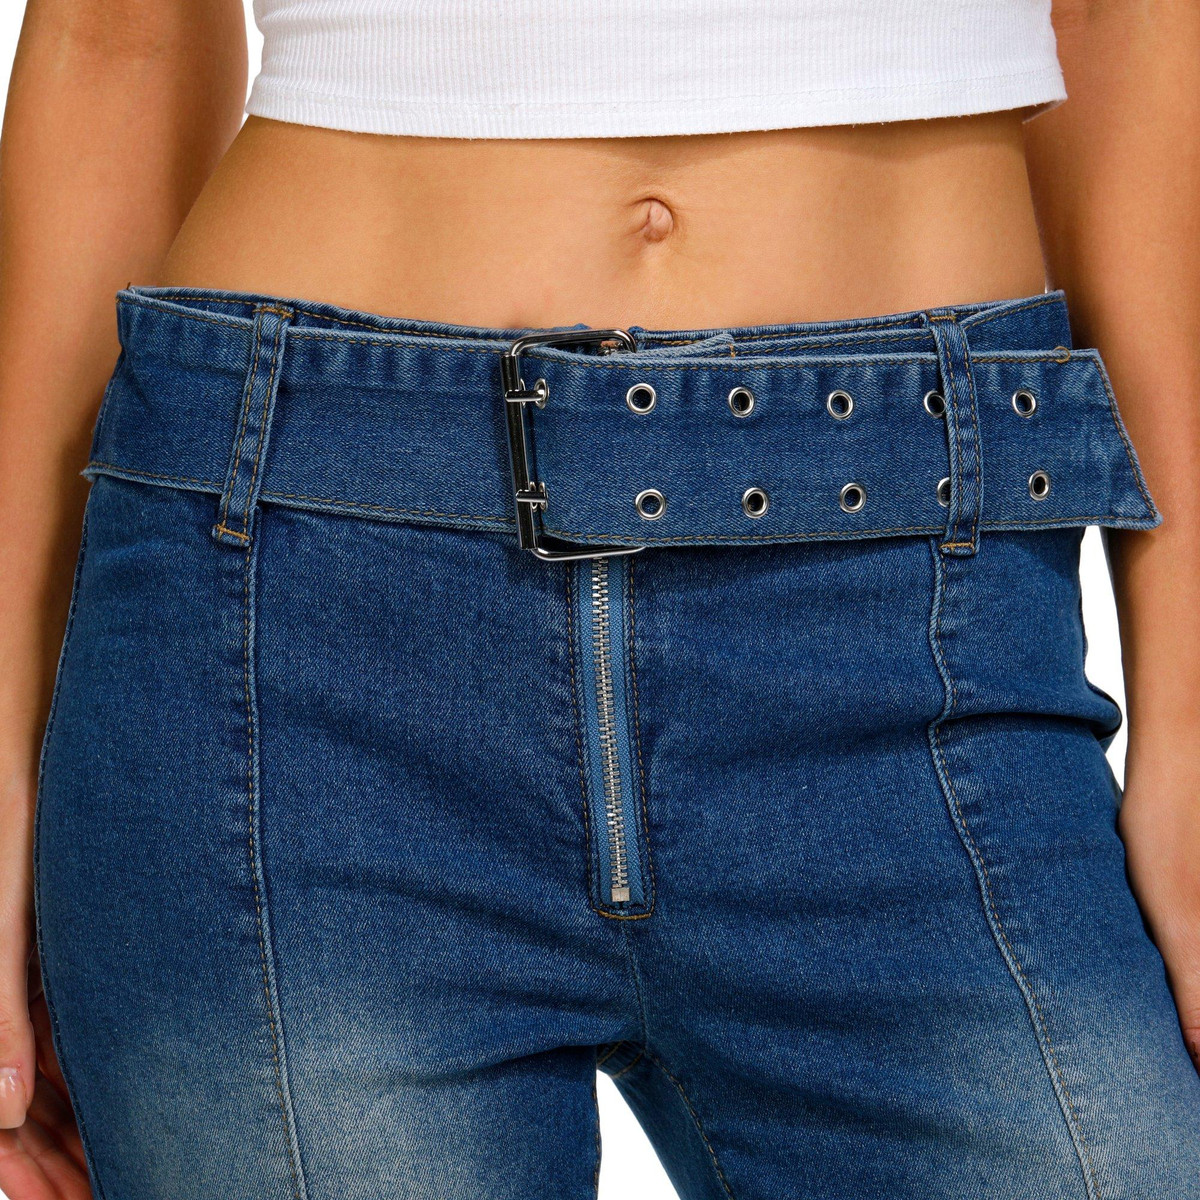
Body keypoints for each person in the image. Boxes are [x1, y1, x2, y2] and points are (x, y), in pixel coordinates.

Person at [1, 1, 1198, 1196]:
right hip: (298, 606)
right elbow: (119, 39)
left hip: (916, 587)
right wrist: (6, 763)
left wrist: (1190, 726)